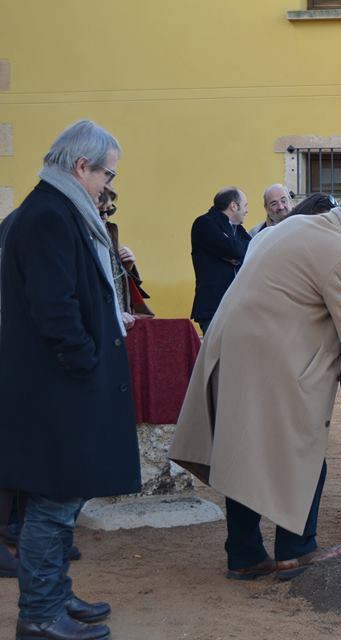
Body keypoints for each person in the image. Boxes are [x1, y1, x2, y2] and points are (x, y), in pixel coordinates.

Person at [170, 187, 341, 582]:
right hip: (276, 363)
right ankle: (296, 551)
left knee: (243, 452)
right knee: (306, 459)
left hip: (231, 352)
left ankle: (244, 555)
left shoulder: (284, 229)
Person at [0, 119, 141, 640]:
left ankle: (54, 594)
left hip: (59, 383)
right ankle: (40, 613)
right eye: (108, 173)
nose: (109, 184)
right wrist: (85, 360)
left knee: (62, 499)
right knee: (52, 503)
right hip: (55, 386)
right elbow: (54, 307)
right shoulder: (48, 215)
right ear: (82, 166)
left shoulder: (56, 210)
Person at [189, 187, 251, 334]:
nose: (247, 211)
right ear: (234, 206)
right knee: (215, 356)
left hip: (237, 308)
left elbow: (253, 248)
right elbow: (234, 250)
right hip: (214, 308)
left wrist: (235, 254)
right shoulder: (204, 223)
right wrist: (236, 253)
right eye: (245, 205)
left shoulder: (238, 230)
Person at [98, 186, 153, 317]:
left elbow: (117, 277)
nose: (105, 217)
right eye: (100, 212)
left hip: (121, 315)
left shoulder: (110, 231)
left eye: (109, 211)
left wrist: (127, 266)